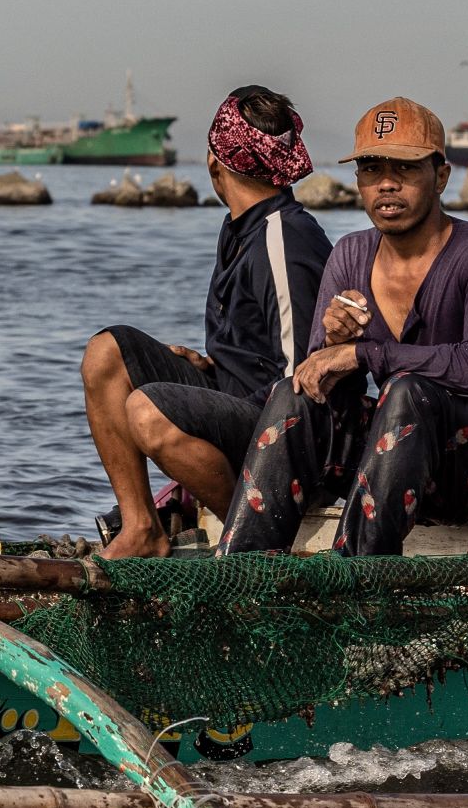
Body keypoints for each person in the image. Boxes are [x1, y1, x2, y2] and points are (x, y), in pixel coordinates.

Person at [225, 96, 468, 553]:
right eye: (370, 170)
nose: (385, 185)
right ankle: (242, 577)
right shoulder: (350, 254)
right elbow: (322, 386)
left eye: (403, 170)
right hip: (404, 459)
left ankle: (358, 584)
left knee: (407, 389)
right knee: (294, 392)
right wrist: (332, 346)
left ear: (440, 176)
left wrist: (364, 353)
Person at [75, 86, 333, 556]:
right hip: (242, 400)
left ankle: (253, 538)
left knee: (148, 411)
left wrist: (201, 399)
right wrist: (210, 371)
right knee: (106, 353)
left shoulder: (284, 238)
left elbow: (304, 381)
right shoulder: (240, 227)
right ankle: (143, 529)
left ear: (216, 162)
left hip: (290, 434)